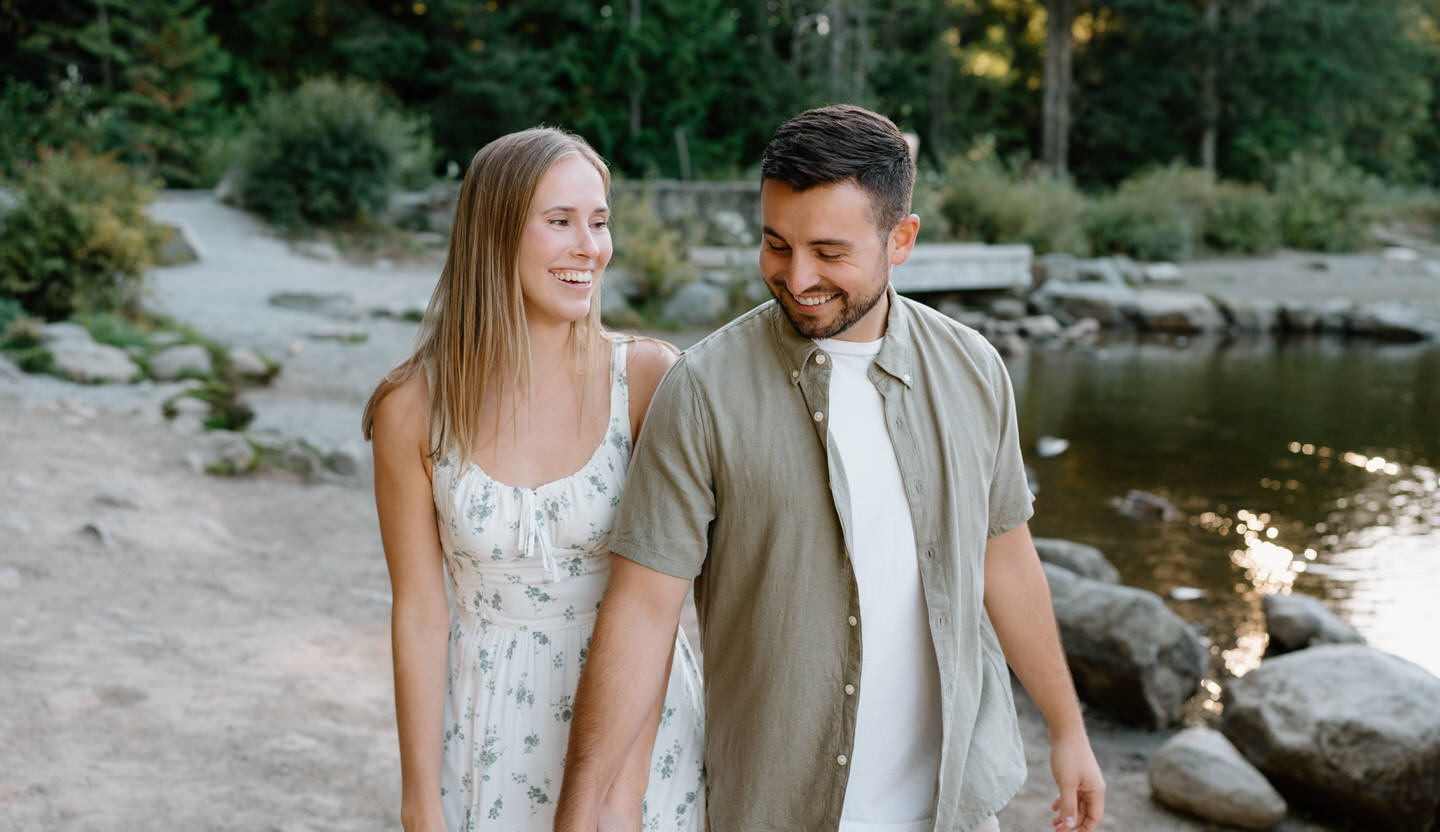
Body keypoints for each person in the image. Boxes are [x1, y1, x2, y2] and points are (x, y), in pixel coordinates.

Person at [554, 105, 1105, 832]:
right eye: (776, 244)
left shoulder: (975, 371)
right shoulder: (704, 389)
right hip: (775, 806)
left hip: (948, 811)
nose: (797, 276)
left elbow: (1004, 560)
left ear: (900, 238)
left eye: (829, 251)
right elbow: (644, 611)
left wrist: (1069, 730)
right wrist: (582, 805)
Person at [362, 127, 704, 832]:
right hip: (489, 725)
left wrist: (624, 790)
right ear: (495, 234)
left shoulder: (646, 381)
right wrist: (420, 802)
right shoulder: (412, 410)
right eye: (560, 222)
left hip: (641, 725)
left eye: (600, 222)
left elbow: (672, 599)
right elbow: (421, 615)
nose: (591, 247)